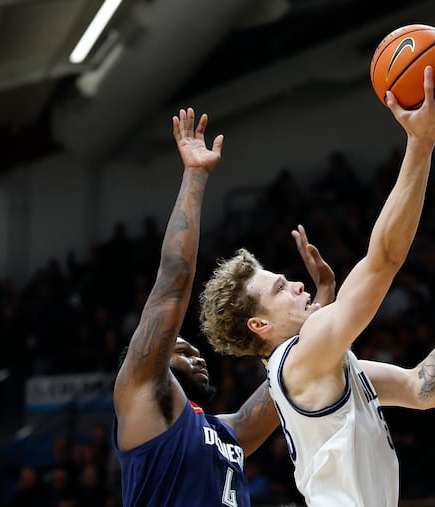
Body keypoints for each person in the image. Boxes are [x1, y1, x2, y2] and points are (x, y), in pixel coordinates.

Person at [199, 63, 435, 506]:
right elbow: (384, 261)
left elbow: (421, 391)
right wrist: (421, 142)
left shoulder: (327, 364)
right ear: (259, 325)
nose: (297, 285)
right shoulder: (302, 356)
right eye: (280, 289)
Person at [112, 108, 335, 506]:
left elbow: (286, 381)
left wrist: (322, 298)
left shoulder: (223, 432)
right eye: (181, 350)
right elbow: (172, 281)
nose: (196, 354)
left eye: (193, 348)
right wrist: (195, 177)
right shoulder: (141, 389)